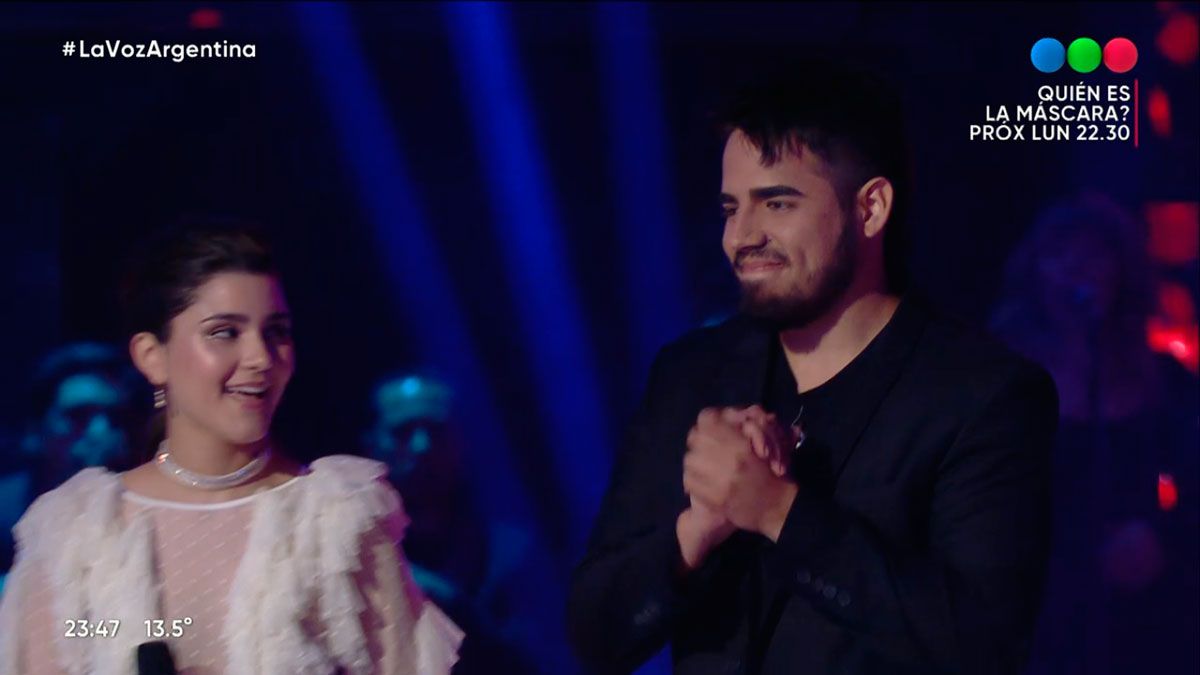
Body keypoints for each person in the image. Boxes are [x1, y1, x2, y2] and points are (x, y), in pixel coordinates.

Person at [567, 61, 1060, 674]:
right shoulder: (692, 374)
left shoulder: (982, 395)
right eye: (729, 209)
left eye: (776, 203)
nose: (740, 237)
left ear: (871, 208)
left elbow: (981, 647)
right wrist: (697, 531)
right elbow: (596, 634)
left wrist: (778, 511)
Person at [0, 223, 462, 674]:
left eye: (276, 332)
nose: (260, 358)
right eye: (224, 332)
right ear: (152, 357)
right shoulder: (78, 531)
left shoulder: (338, 522)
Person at [990, 193, 1200, 675]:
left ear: (1121, 270)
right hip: (1034, 603)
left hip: (1136, 604)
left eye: (1093, 256)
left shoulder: (1162, 378)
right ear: (1035, 269)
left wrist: (1160, 535)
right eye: (1060, 254)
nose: (1076, 270)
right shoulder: (1000, 374)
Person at [364, 372, 539, 673]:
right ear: (372, 445)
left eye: (436, 430)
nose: (422, 446)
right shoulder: (357, 561)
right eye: (403, 432)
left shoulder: (510, 553)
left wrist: (454, 605)